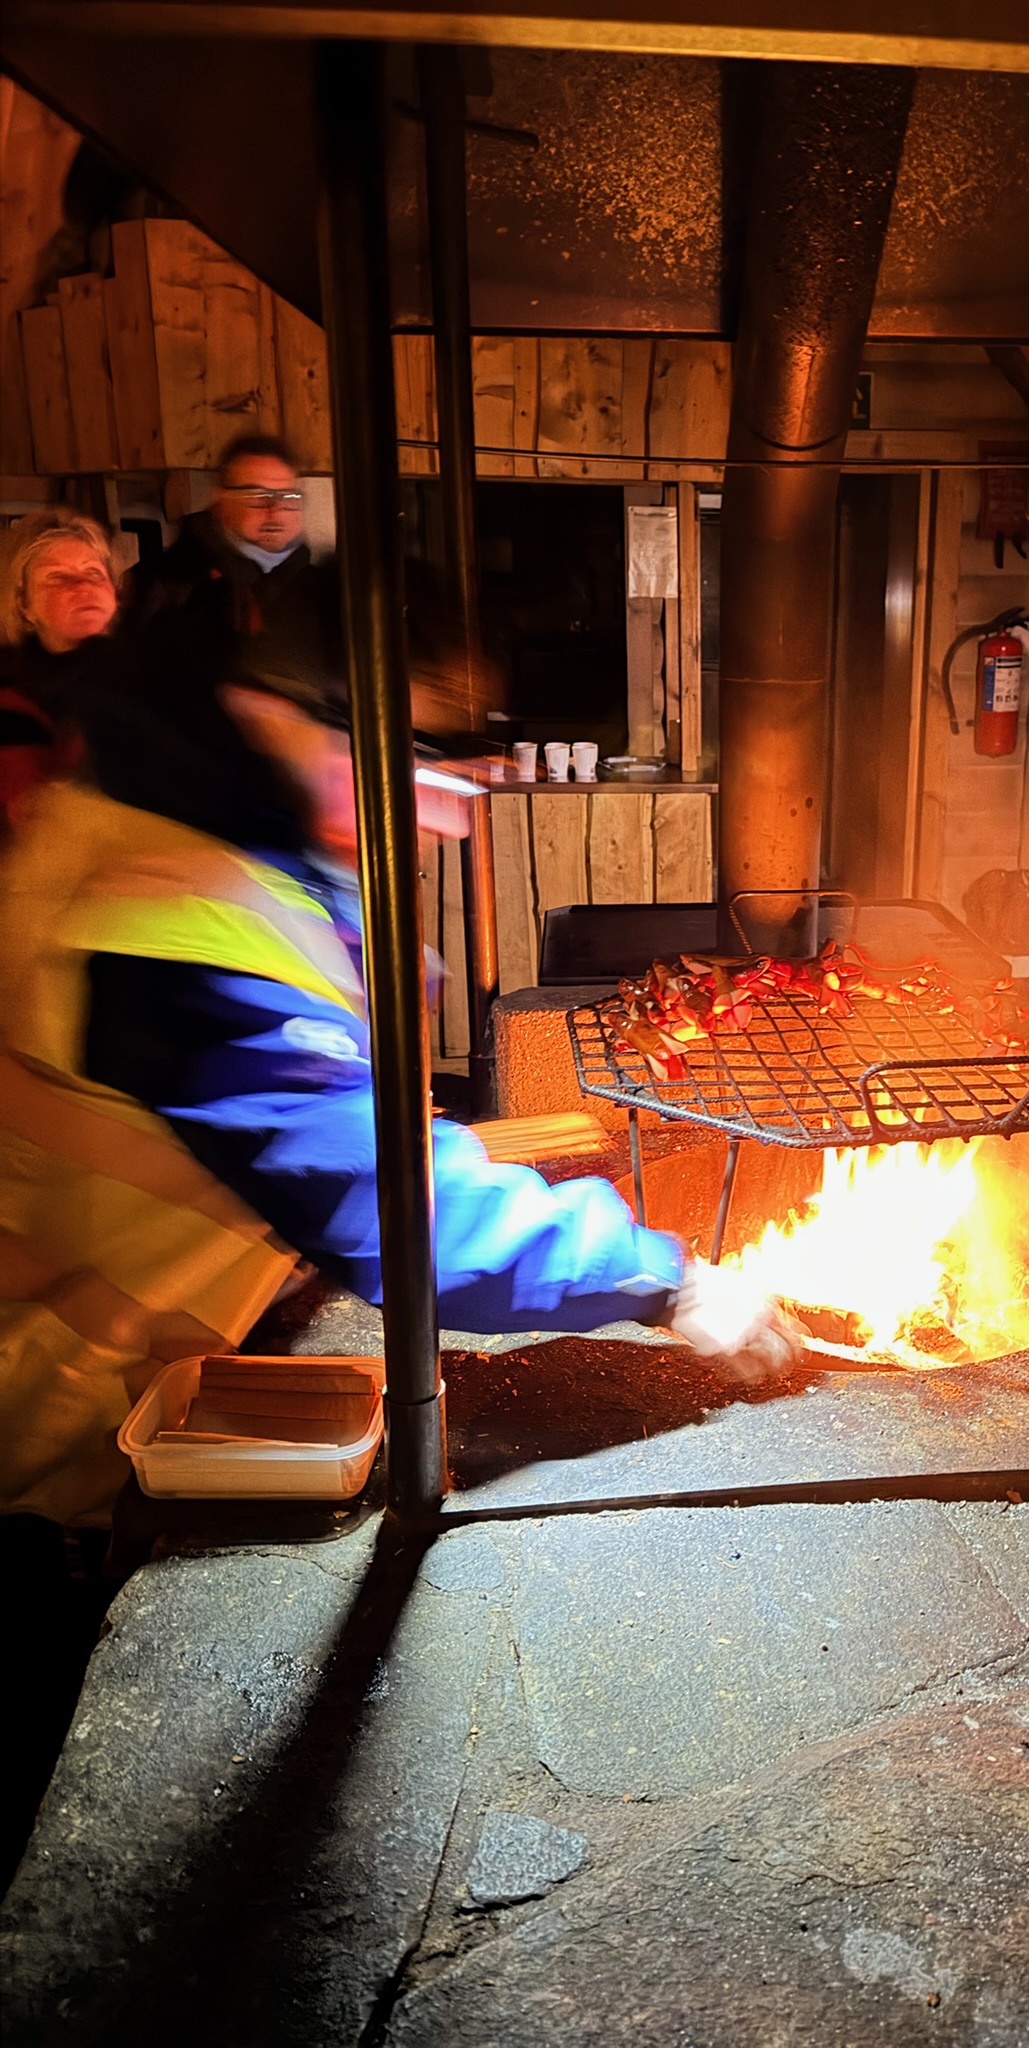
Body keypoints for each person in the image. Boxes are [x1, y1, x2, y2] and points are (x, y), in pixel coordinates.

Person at [0, 656, 799, 1533]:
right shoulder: (168, 918)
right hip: (56, 1406)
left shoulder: (214, 841)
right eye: (422, 770)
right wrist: (665, 1280)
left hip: (146, 1348)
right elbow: (388, 1206)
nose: (452, 817)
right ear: (283, 725)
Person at [127, 432, 343, 715]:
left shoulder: (331, 591)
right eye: (256, 495)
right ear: (221, 500)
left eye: (289, 496)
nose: (274, 509)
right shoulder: (164, 586)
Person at [0, 508, 118, 833]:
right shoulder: (13, 704)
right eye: (58, 578)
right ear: (24, 604)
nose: (82, 586)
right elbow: (33, 826)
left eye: (94, 572)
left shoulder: (151, 668)